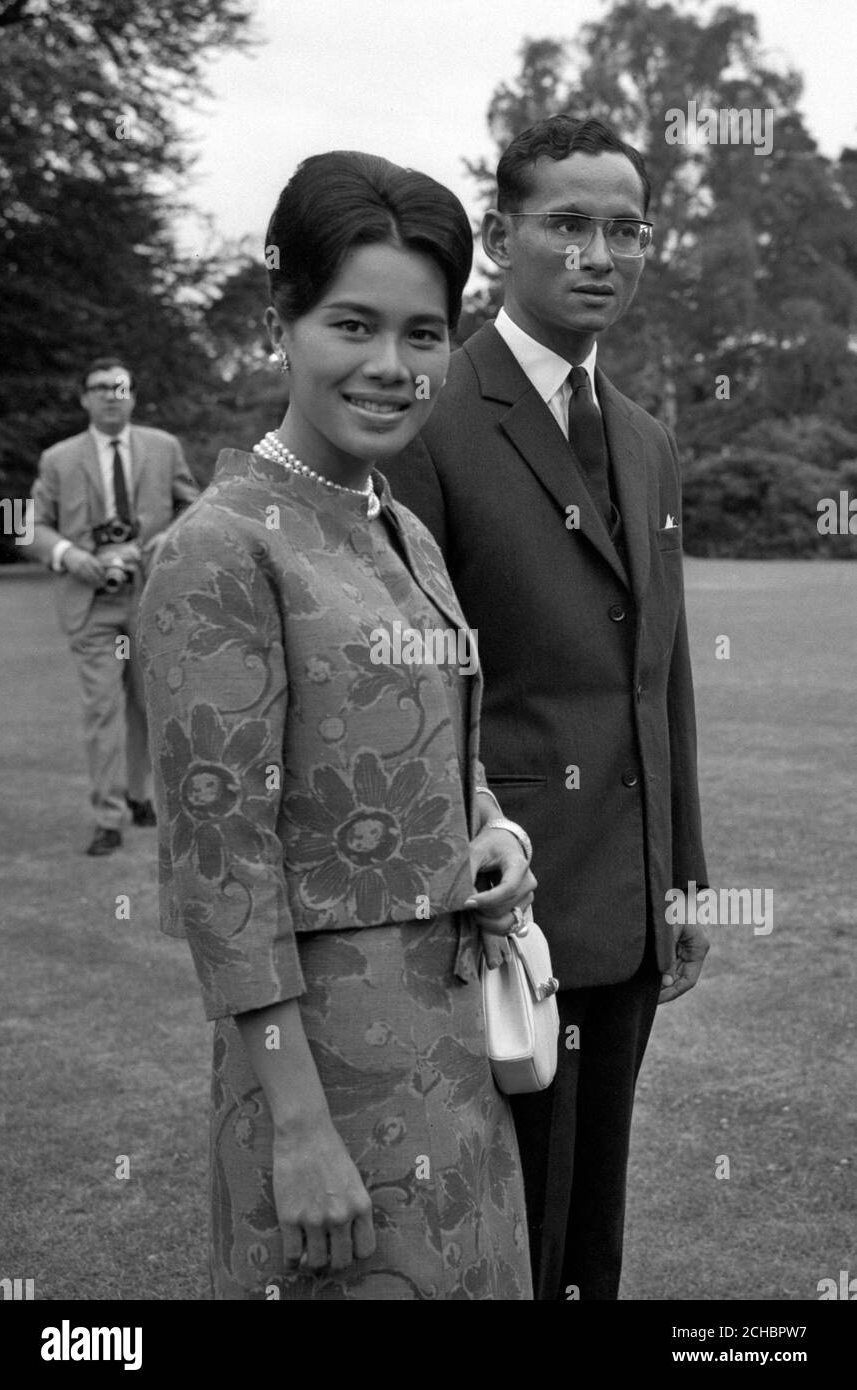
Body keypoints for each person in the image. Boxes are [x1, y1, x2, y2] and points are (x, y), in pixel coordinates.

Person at [138, 151, 536, 1300]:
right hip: (324, 1082)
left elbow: (444, 762)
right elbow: (224, 870)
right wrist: (299, 1128)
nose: (390, 365)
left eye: (423, 335)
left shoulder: (398, 527)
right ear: (281, 322)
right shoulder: (220, 549)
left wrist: (495, 836)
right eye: (351, 324)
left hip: (455, 1057)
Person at [382, 115, 710, 1301]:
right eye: (567, 225)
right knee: (496, 1229)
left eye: (624, 230)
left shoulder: (645, 438)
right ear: (502, 237)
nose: (599, 254)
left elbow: (658, 673)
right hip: (491, 906)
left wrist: (681, 879)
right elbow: (410, 678)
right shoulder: (425, 410)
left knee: (588, 1233)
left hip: (625, 909)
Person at [27, 359, 199, 855]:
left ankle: (141, 797)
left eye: (119, 387)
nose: (110, 395)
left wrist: (168, 537)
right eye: (99, 388)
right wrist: (70, 555)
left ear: (133, 397)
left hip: (152, 598)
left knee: (150, 707)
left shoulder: (164, 448)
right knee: (103, 710)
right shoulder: (58, 458)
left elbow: (195, 505)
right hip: (92, 604)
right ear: (84, 398)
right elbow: (28, 526)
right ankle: (109, 817)